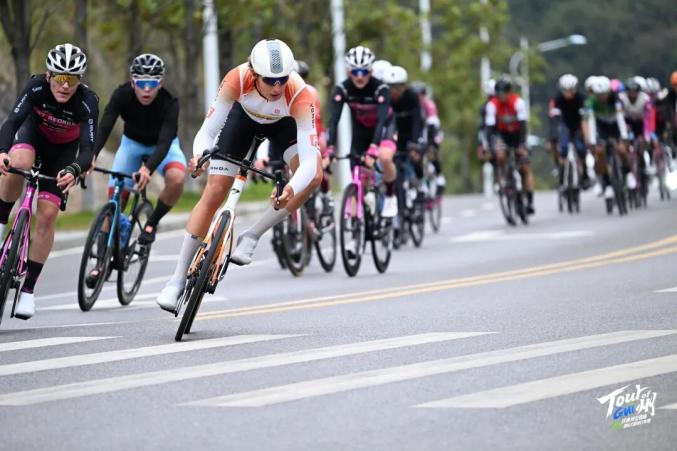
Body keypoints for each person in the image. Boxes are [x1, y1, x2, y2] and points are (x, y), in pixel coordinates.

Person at [156, 39, 322, 311]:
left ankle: (253, 235)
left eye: (282, 79)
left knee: (313, 178)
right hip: (242, 121)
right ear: (254, 73)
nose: (277, 87)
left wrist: (291, 188)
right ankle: (176, 280)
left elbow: (309, 163)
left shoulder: (299, 93)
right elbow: (207, 132)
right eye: (270, 80)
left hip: (284, 127)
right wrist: (199, 156)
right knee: (214, 191)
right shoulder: (238, 78)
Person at [0, 43, 99, 319]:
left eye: (72, 79)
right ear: (48, 75)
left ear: (79, 80)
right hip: (32, 137)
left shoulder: (87, 101)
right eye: (60, 77)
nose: (65, 85)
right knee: (17, 164)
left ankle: (28, 290)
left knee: (47, 215)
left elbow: (88, 148)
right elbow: (12, 121)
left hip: (62, 155)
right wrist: (2, 151)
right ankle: (2, 221)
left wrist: (74, 170)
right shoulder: (36, 87)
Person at [94, 53, 186, 248]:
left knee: (177, 178)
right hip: (132, 144)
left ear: (160, 84)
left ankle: (152, 223)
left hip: (164, 146)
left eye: (152, 84)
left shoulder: (170, 103)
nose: (146, 89)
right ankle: (101, 255)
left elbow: (164, 143)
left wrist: (147, 168)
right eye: (141, 83)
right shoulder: (121, 95)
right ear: (132, 82)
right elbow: (105, 127)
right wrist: (92, 155)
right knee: (114, 202)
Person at [326, 45, 398, 217]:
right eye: (355, 72)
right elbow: (334, 120)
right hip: (361, 130)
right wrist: (329, 148)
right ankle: (357, 221)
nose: (359, 76)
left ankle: (390, 195)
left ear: (371, 71)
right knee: (357, 176)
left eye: (364, 72)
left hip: (384, 127)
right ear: (348, 71)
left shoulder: (381, 89)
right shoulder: (343, 89)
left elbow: (382, 120)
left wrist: (374, 147)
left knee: (384, 157)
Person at [485, 76, 535, 214]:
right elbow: (490, 128)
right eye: (498, 94)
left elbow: (523, 125)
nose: (501, 97)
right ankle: (502, 179)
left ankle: (530, 200)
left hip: (518, 134)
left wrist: (522, 144)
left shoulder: (518, 102)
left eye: (503, 93)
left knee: (525, 166)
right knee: (500, 155)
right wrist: (491, 147)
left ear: (509, 92)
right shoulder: (492, 105)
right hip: (502, 135)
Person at [583, 75, 630, 199]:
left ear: (609, 91)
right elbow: (591, 122)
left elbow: (620, 119)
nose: (602, 97)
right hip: (601, 126)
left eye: (604, 94)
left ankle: (628, 173)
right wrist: (593, 140)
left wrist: (624, 136)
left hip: (615, 126)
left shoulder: (616, 99)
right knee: (600, 152)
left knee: (621, 149)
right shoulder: (591, 102)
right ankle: (607, 183)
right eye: (599, 95)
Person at [548, 74, 589, 188]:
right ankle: (561, 171)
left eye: (570, 90)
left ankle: (585, 173)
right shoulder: (557, 99)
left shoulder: (581, 99)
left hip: (578, 125)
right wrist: (553, 137)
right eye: (565, 91)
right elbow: (554, 121)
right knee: (562, 147)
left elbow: (585, 119)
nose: (568, 93)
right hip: (564, 124)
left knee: (581, 148)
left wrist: (587, 137)